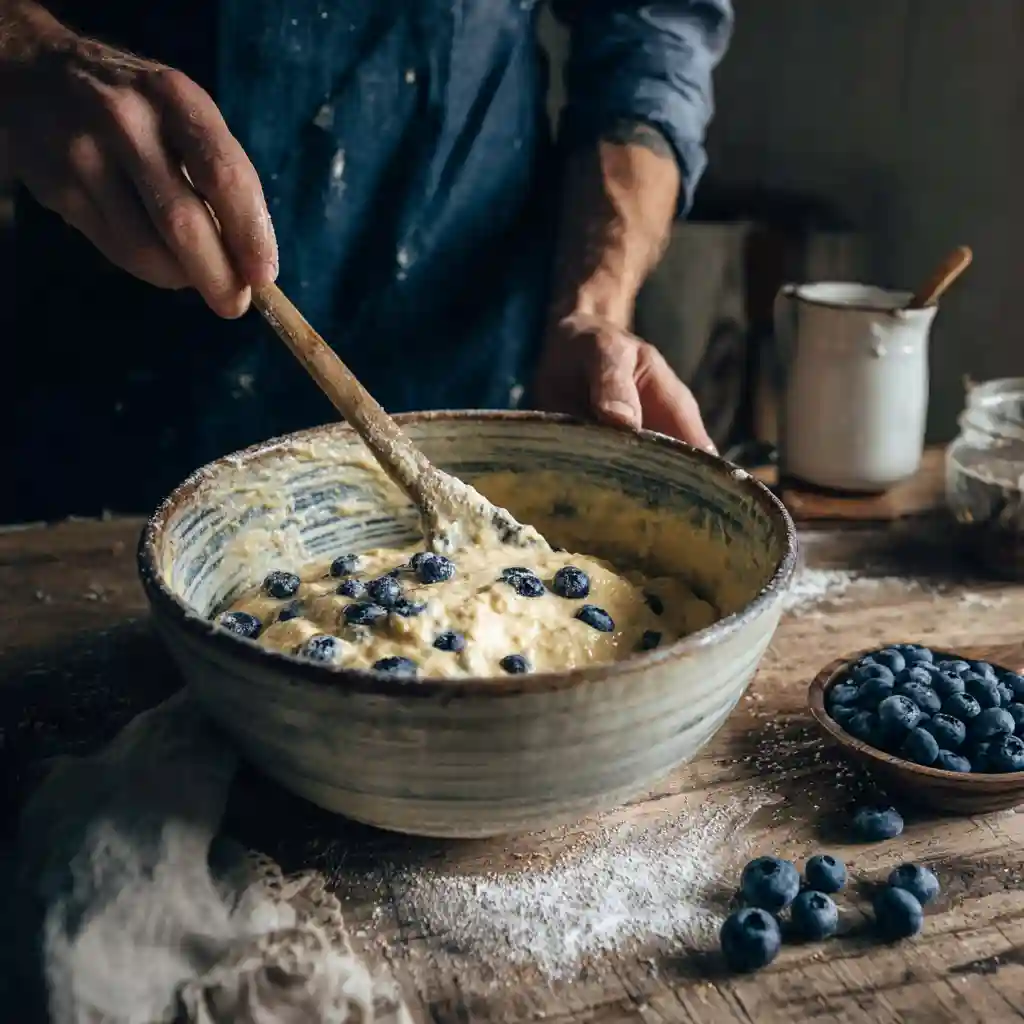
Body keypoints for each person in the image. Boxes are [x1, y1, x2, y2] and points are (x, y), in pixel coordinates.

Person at [1, 0, 732, 523]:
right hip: (102, 383)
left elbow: (650, 35)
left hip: (469, 372)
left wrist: (593, 307)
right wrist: (24, 52)